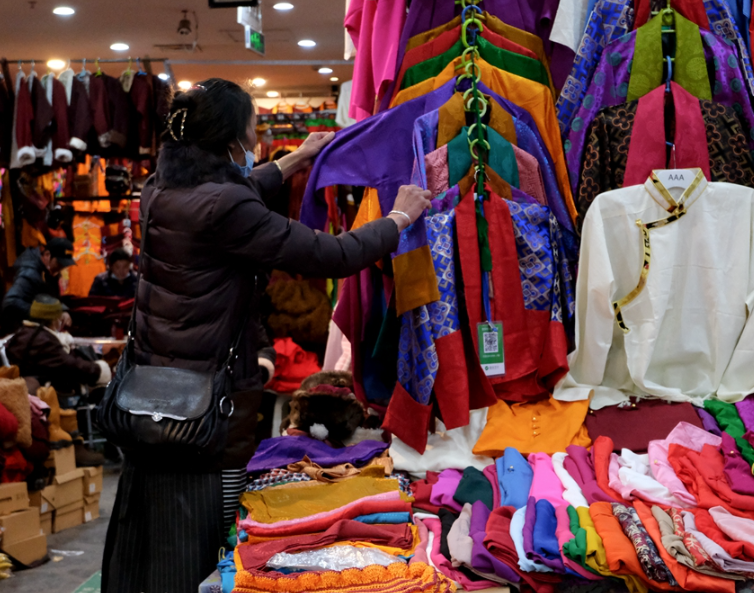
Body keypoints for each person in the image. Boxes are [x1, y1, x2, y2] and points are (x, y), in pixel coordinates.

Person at [101, 78, 431, 593]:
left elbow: (232, 194)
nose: (254, 140)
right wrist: (397, 218)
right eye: (251, 130)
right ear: (232, 139)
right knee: (206, 533)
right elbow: (330, 253)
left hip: (154, 393)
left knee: (157, 529)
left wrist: (296, 159)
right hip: (207, 406)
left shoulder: (161, 190)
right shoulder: (224, 208)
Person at [4, 295, 112, 392]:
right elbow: (70, 365)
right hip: (44, 391)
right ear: (54, 319)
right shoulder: (44, 341)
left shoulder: (23, 333)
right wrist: (99, 370)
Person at [1, 238, 76, 330]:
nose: (61, 268)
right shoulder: (30, 273)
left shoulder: (49, 271)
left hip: (38, 329)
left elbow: (49, 297)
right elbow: (10, 302)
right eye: (59, 263)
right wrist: (43, 312)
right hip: (22, 329)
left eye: (64, 265)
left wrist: (62, 310)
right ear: (47, 255)